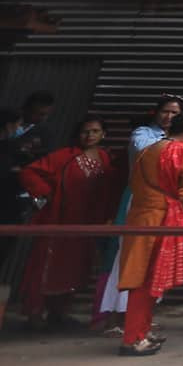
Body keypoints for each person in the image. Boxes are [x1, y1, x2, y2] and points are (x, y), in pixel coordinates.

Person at [114, 111, 183, 356]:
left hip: (140, 216)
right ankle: (134, 338)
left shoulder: (148, 150)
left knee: (143, 278)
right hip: (161, 218)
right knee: (146, 280)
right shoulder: (180, 150)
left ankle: (141, 332)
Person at [18, 117, 122, 329]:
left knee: (75, 269)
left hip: (86, 225)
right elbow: (29, 172)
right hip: (58, 221)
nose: (90, 136)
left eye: (95, 131)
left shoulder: (105, 158)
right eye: (86, 131)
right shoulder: (64, 156)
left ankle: (59, 313)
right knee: (45, 268)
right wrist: (45, 194)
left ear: (103, 134)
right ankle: (34, 314)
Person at [95, 93, 182, 327]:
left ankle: (139, 316)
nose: (169, 116)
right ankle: (116, 316)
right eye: (166, 111)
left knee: (155, 257)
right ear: (155, 112)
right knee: (129, 254)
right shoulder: (142, 134)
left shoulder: (179, 141)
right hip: (139, 200)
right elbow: (153, 156)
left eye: (175, 113)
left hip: (166, 202)